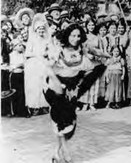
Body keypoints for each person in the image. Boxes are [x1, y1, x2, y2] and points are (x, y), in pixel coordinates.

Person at [43, 23, 108, 163]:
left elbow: (96, 52)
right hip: (55, 84)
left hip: (72, 86)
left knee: (69, 120)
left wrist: (108, 55)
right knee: (60, 118)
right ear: (67, 35)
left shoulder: (81, 48)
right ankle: (66, 153)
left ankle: (56, 152)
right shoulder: (58, 49)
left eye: (79, 35)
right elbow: (48, 69)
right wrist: (59, 85)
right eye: (73, 35)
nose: (76, 38)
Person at [24, 13, 51, 115]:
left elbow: (50, 51)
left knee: (44, 85)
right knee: (34, 86)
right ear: (35, 30)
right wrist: (38, 54)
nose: (41, 30)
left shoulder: (46, 40)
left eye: (42, 29)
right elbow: (27, 53)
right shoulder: (31, 40)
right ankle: (35, 107)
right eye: (39, 29)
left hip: (43, 64)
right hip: (34, 64)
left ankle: (44, 105)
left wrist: (47, 53)